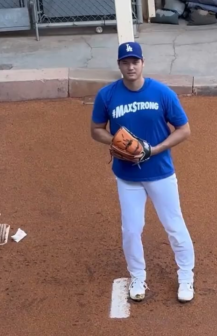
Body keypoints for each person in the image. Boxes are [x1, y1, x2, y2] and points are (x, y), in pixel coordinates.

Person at [89, 41, 195, 303]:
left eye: (135, 61)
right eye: (125, 62)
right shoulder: (107, 95)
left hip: (160, 172)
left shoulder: (162, 93)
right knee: (131, 230)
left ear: (143, 62)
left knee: (174, 226)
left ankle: (185, 276)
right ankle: (137, 276)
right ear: (119, 65)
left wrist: (154, 149)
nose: (131, 66)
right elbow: (96, 130)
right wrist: (116, 141)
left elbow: (184, 130)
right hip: (127, 176)